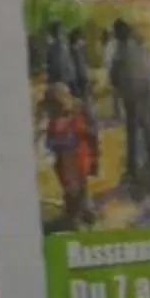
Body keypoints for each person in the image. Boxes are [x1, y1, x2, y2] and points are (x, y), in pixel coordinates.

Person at [106, 17, 150, 198]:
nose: (115, 36)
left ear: (120, 33)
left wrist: (118, 85)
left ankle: (137, 173)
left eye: (116, 33)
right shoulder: (138, 45)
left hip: (135, 97)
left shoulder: (121, 50)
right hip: (145, 94)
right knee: (149, 135)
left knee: (136, 136)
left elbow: (114, 77)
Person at [42, 82, 99, 229]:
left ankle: (75, 219)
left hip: (70, 164)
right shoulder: (77, 117)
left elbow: (53, 143)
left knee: (73, 193)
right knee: (81, 189)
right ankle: (87, 212)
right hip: (79, 161)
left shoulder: (61, 123)